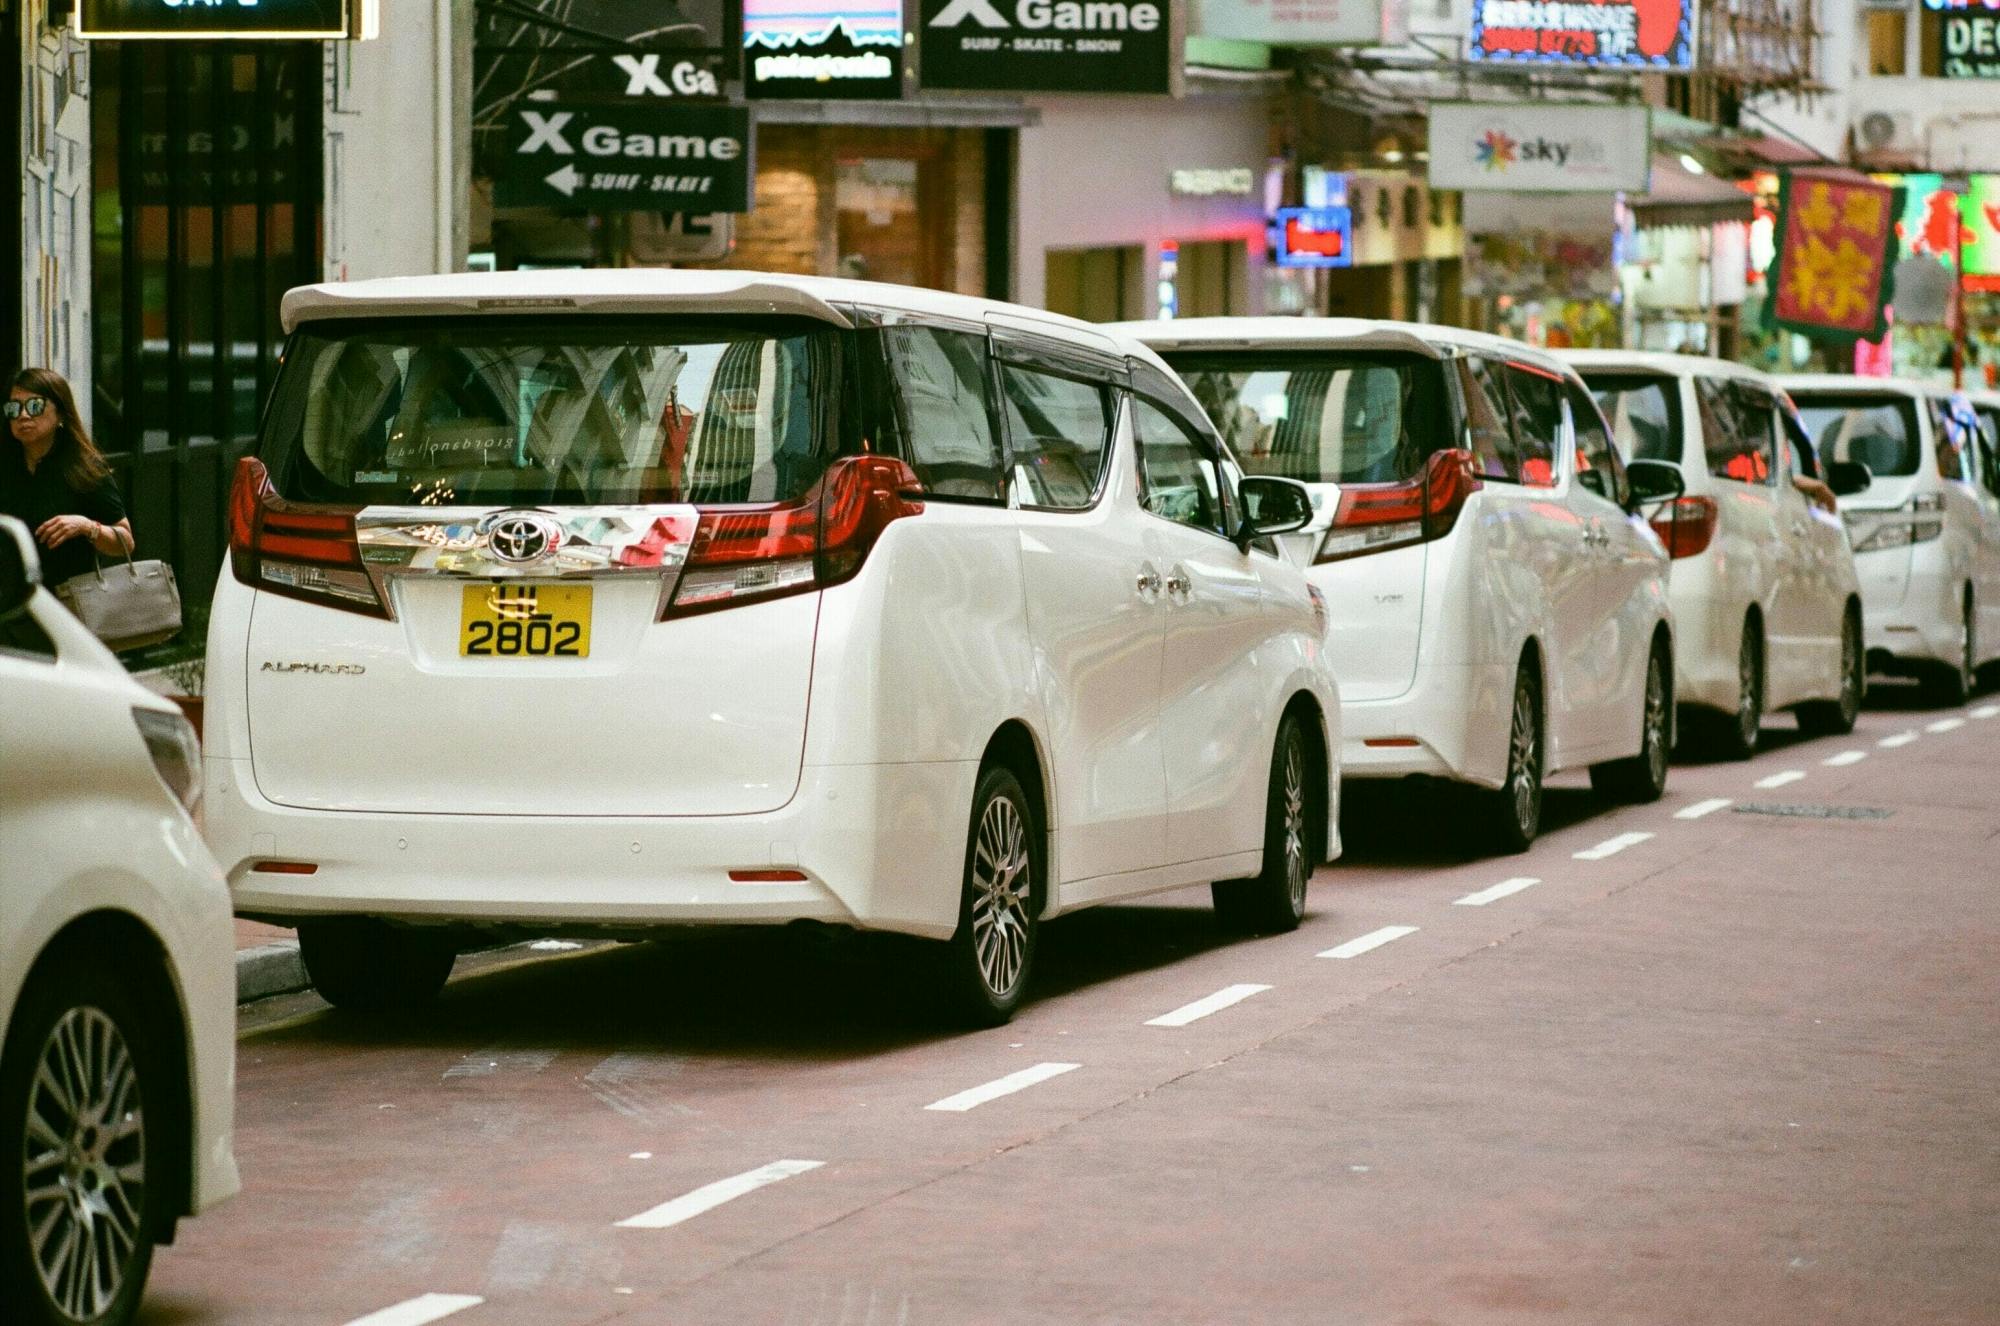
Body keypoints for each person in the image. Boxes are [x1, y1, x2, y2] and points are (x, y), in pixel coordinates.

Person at [2, 368, 135, 588]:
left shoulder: (83, 469)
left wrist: (86, 527)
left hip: (66, 603)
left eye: (35, 406)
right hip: (10, 602)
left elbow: (125, 542)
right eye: (14, 408)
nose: (23, 415)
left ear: (61, 414)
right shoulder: (7, 467)